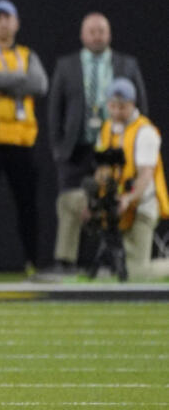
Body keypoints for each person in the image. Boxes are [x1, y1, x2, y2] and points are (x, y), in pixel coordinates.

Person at [46, 12, 147, 276]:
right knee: (70, 202)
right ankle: (66, 261)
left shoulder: (127, 64)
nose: (97, 36)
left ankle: (113, 260)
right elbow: (54, 110)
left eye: (101, 30)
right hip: (77, 148)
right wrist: (59, 149)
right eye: (91, 31)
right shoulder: (66, 65)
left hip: (113, 149)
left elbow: (142, 108)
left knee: (111, 202)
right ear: (82, 34)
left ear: (109, 34)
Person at [0, 0, 47, 277]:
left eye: (7, 17)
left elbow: (39, 84)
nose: (3, 23)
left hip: (22, 142)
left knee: (28, 207)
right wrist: (17, 81)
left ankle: (34, 263)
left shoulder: (28, 54)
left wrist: (0, 81)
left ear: (16, 22)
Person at [64, 78, 168, 280]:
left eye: (123, 107)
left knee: (137, 274)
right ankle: (65, 263)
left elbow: (145, 175)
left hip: (139, 207)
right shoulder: (107, 128)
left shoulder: (145, 132)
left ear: (133, 104)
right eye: (113, 106)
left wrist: (128, 199)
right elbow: (103, 169)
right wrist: (93, 200)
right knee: (69, 201)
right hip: (115, 204)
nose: (117, 112)